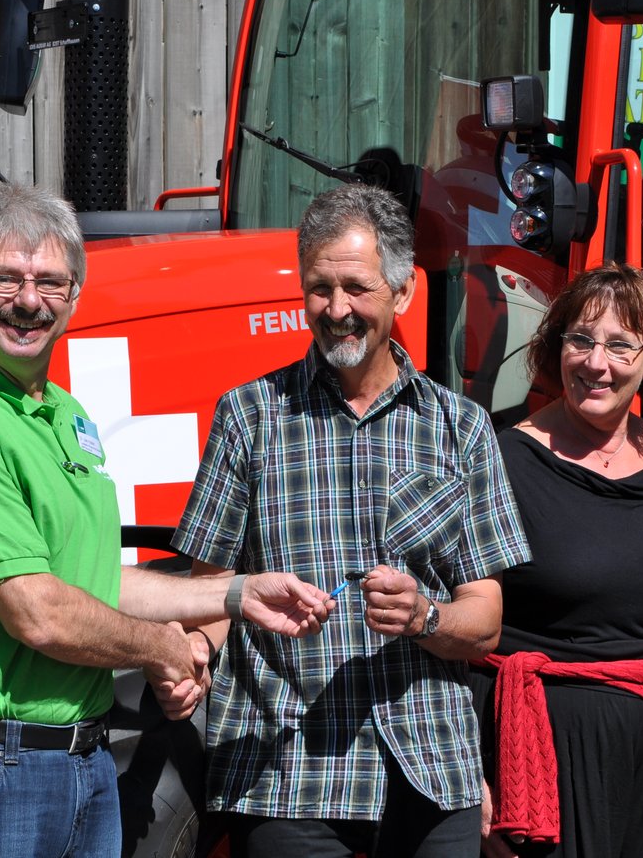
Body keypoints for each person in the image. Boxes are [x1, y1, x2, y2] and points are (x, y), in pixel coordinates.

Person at [0, 184, 332, 858]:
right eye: (5, 278)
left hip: (78, 765)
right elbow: (38, 611)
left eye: (50, 281)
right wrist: (161, 648)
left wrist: (236, 593)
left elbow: (94, 580)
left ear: (75, 296)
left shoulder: (64, 413)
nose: (29, 300)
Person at [172, 183, 531, 857]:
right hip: (287, 771)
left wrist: (424, 615)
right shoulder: (249, 416)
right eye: (320, 288)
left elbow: (484, 621)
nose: (337, 309)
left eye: (356, 288)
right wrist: (193, 650)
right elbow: (211, 590)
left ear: (403, 292)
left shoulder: (461, 427)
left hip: (430, 765)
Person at [479, 263, 643, 858]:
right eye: (581, 339)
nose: (596, 363)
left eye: (621, 345)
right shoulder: (500, 462)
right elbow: (459, 633)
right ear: (556, 348)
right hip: (539, 767)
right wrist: (475, 782)